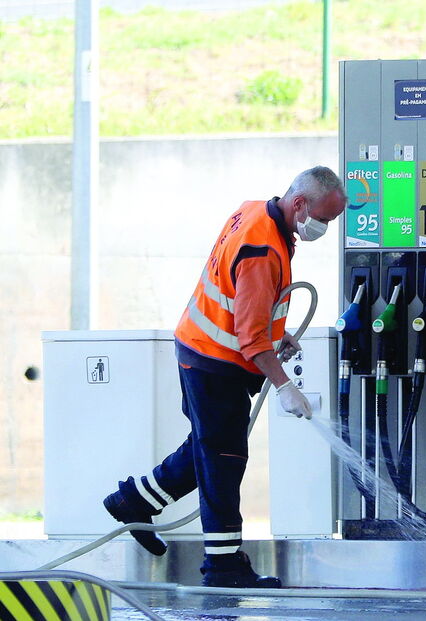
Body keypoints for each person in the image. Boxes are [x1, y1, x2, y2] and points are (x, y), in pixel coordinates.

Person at [102, 167, 347, 588]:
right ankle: (223, 568)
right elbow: (250, 337)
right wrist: (286, 385)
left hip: (202, 350)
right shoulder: (262, 248)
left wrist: (276, 330)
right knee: (223, 462)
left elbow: (242, 299)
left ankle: (133, 500)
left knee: (209, 446)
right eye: (324, 219)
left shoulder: (254, 212)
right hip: (216, 363)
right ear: (300, 204)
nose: (324, 228)